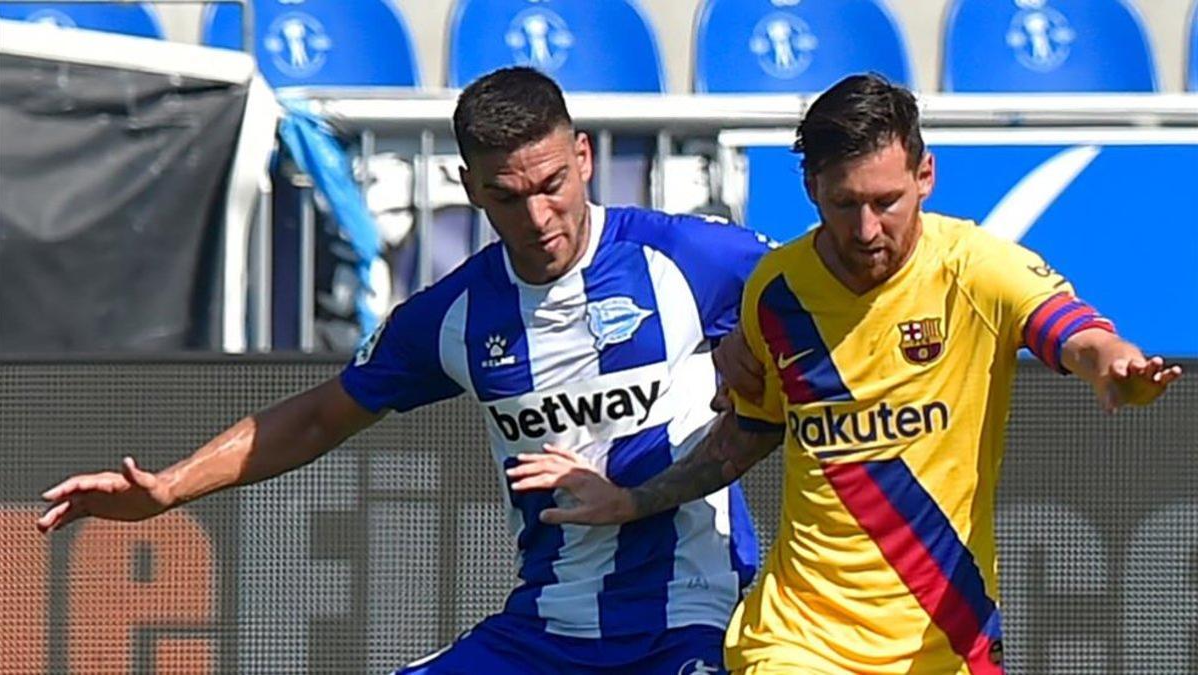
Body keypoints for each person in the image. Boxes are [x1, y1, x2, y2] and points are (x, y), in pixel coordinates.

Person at [35, 66, 771, 674]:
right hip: (546, 630)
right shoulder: (453, 314)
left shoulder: (684, 259)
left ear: (583, 158)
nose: (539, 216)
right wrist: (167, 487)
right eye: (508, 197)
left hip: (691, 623)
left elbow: (825, 296)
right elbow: (322, 414)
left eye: (551, 184)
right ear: (471, 187)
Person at [505, 73, 1183, 674]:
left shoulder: (975, 269)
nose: (865, 229)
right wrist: (633, 499)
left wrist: (1113, 362)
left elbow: (1074, 332)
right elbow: (743, 437)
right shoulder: (776, 292)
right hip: (798, 639)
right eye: (844, 203)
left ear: (925, 177)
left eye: (886, 201)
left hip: (944, 639)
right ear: (812, 190)